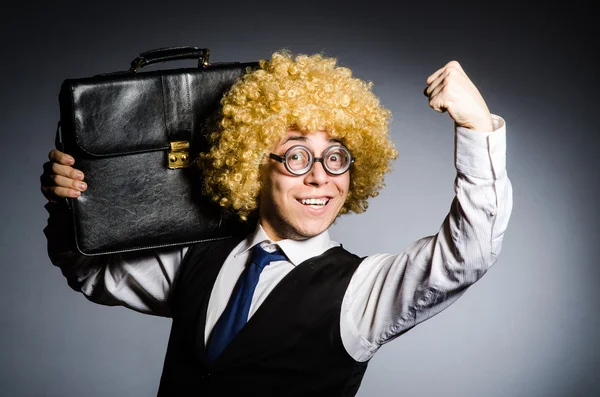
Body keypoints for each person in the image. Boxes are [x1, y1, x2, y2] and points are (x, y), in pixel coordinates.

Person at [41, 51, 512, 396]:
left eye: (336, 157)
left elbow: (466, 254)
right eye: (295, 155)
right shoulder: (197, 255)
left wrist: (476, 128)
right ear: (251, 163)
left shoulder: (362, 292)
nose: (319, 176)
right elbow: (91, 272)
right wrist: (71, 204)